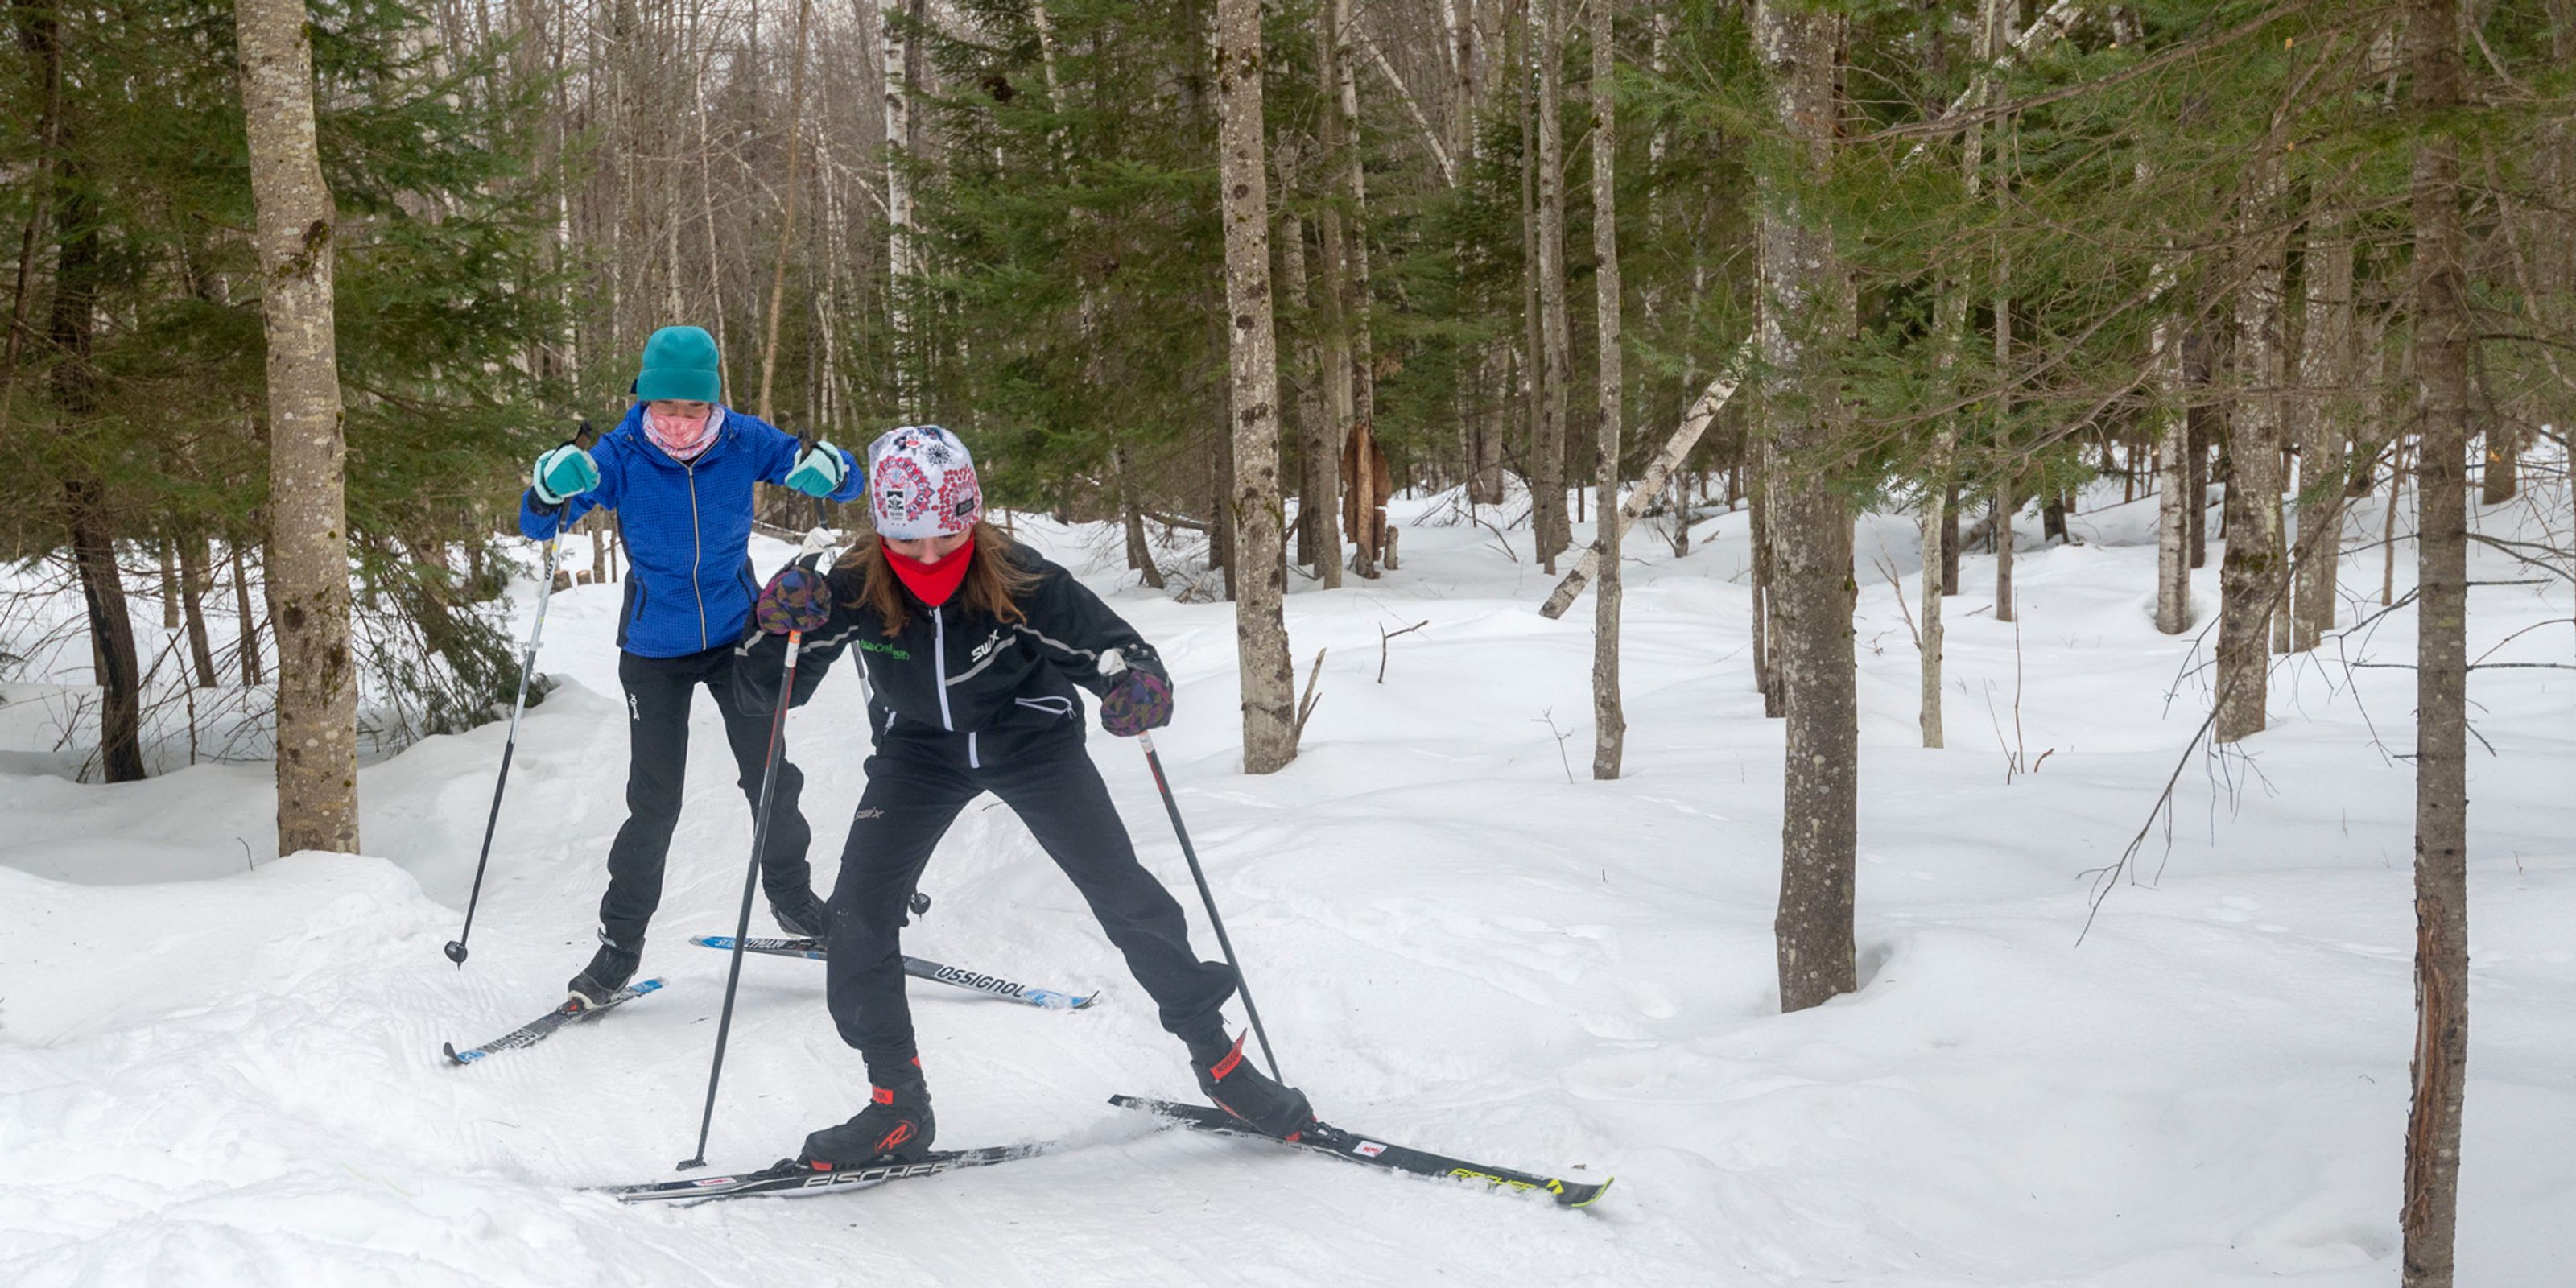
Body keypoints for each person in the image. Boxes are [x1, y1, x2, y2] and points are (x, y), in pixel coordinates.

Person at [733, 424, 1315, 1167]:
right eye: (909, 542)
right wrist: (776, 626)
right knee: (855, 913)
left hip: (1030, 740)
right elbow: (765, 696)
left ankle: (1221, 1065)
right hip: (920, 753)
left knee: (1124, 894)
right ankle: (896, 1107)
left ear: (972, 516)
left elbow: (1114, 649)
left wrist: (1135, 683)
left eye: (948, 537)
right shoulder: (848, 585)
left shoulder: (1019, 576)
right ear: (881, 530)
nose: (931, 557)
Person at [520, 324, 865, 1008]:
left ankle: (794, 903)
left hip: (738, 634)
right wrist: (547, 488)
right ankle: (619, 949)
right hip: (654, 647)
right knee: (654, 805)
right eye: (666, 406)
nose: (679, 421)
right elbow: (540, 524)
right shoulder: (617, 454)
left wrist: (834, 467)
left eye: (692, 407)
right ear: (644, 397)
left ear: (713, 401)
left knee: (771, 777)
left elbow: (845, 483)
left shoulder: (743, 440)